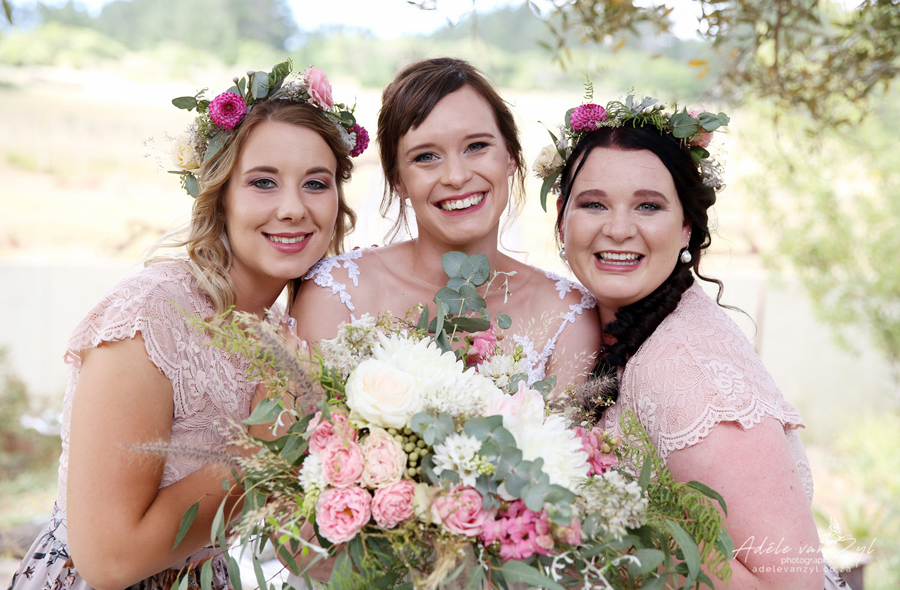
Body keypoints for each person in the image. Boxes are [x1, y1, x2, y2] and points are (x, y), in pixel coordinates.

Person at [7, 62, 366, 590]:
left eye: (316, 183)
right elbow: (107, 560)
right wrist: (263, 449)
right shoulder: (151, 316)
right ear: (220, 195)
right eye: (263, 182)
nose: (293, 208)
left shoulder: (281, 339)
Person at [546, 95, 849, 589]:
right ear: (562, 217)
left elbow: (793, 585)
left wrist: (610, 521)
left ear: (686, 225)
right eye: (594, 204)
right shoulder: (613, 324)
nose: (618, 229)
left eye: (648, 206)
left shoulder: (690, 371)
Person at [292, 57, 600, 392]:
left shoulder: (567, 317)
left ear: (510, 156)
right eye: (426, 156)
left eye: (476, 146)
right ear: (398, 181)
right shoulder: (336, 295)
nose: (456, 176)